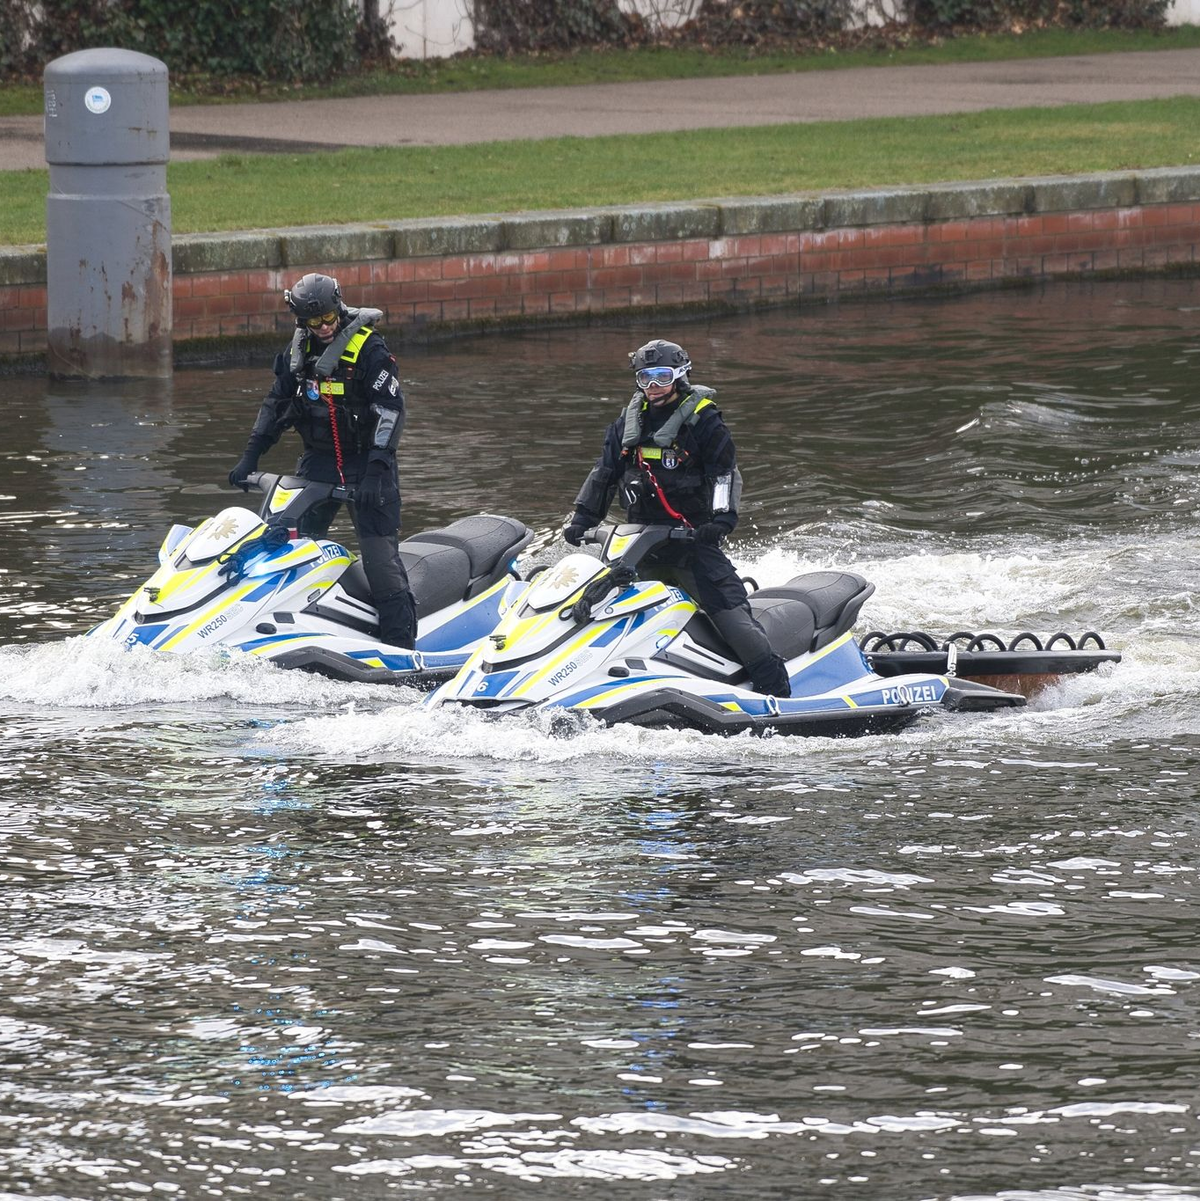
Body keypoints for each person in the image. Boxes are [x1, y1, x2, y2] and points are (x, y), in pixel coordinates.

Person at [562, 338, 791, 697]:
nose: (653, 386)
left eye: (661, 377)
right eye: (645, 378)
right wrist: (584, 517)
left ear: (680, 375)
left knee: (733, 620)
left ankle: (776, 690)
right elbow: (605, 472)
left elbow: (723, 473)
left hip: (691, 541)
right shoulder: (627, 423)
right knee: (595, 606)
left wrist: (719, 521)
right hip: (641, 543)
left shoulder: (704, 422)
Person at [227, 272, 417, 649]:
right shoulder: (299, 353)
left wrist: (378, 471)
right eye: (314, 323)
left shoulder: (370, 351)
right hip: (319, 462)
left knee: (380, 562)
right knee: (281, 543)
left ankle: (401, 645)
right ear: (301, 322)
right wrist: (250, 455)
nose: (325, 328)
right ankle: (265, 629)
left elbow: (390, 411)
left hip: (369, 465)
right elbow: (276, 403)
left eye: (329, 318)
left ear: (339, 307)